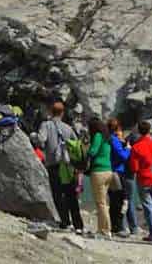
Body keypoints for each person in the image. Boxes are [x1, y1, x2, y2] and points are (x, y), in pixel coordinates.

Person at [40, 101, 83, 232]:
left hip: (54, 165)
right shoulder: (68, 128)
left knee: (58, 194)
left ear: (50, 112)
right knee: (71, 195)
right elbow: (76, 145)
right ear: (62, 113)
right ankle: (78, 225)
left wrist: (34, 136)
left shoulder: (46, 125)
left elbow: (42, 140)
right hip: (68, 165)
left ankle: (65, 222)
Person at [132, 120, 152, 243]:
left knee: (148, 207)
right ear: (149, 130)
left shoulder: (136, 147)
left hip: (143, 179)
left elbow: (134, 168)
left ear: (139, 131)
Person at [85, 116, 114, 236]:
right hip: (108, 171)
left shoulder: (97, 136)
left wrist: (86, 148)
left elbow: (93, 151)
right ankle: (103, 228)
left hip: (98, 171)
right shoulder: (108, 137)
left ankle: (105, 230)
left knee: (100, 203)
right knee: (104, 201)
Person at [108, 118, 133, 235]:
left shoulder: (109, 138)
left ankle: (115, 226)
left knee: (114, 200)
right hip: (117, 172)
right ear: (117, 129)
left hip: (112, 171)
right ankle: (118, 227)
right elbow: (122, 156)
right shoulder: (114, 139)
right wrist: (127, 149)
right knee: (120, 200)